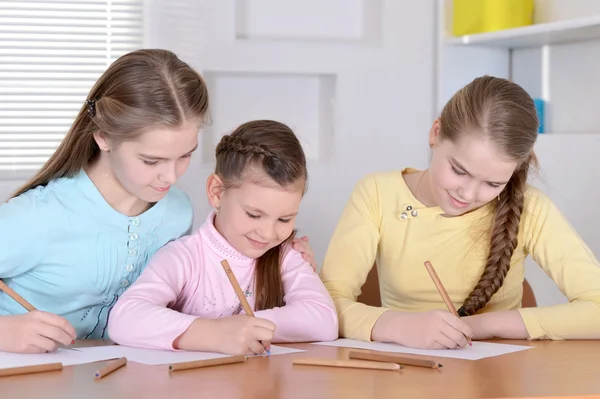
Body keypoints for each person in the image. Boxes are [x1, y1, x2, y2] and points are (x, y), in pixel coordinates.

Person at [0, 49, 318, 354]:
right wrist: (5, 332)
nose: (171, 176)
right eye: (152, 161)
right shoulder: (37, 216)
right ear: (104, 137)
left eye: (185, 156)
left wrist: (280, 258)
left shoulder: (177, 210)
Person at [319, 75, 600, 350]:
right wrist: (403, 326)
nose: (467, 194)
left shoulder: (531, 207)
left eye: (493, 184)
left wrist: (484, 326)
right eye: (459, 170)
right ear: (436, 133)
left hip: (499, 384)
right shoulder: (377, 194)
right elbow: (326, 306)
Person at [108, 120, 338, 355]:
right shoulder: (184, 257)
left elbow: (324, 320)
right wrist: (213, 333)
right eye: (254, 214)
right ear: (217, 193)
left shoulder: (286, 255)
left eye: (284, 219)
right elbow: (125, 318)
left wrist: (246, 327)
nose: (269, 234)